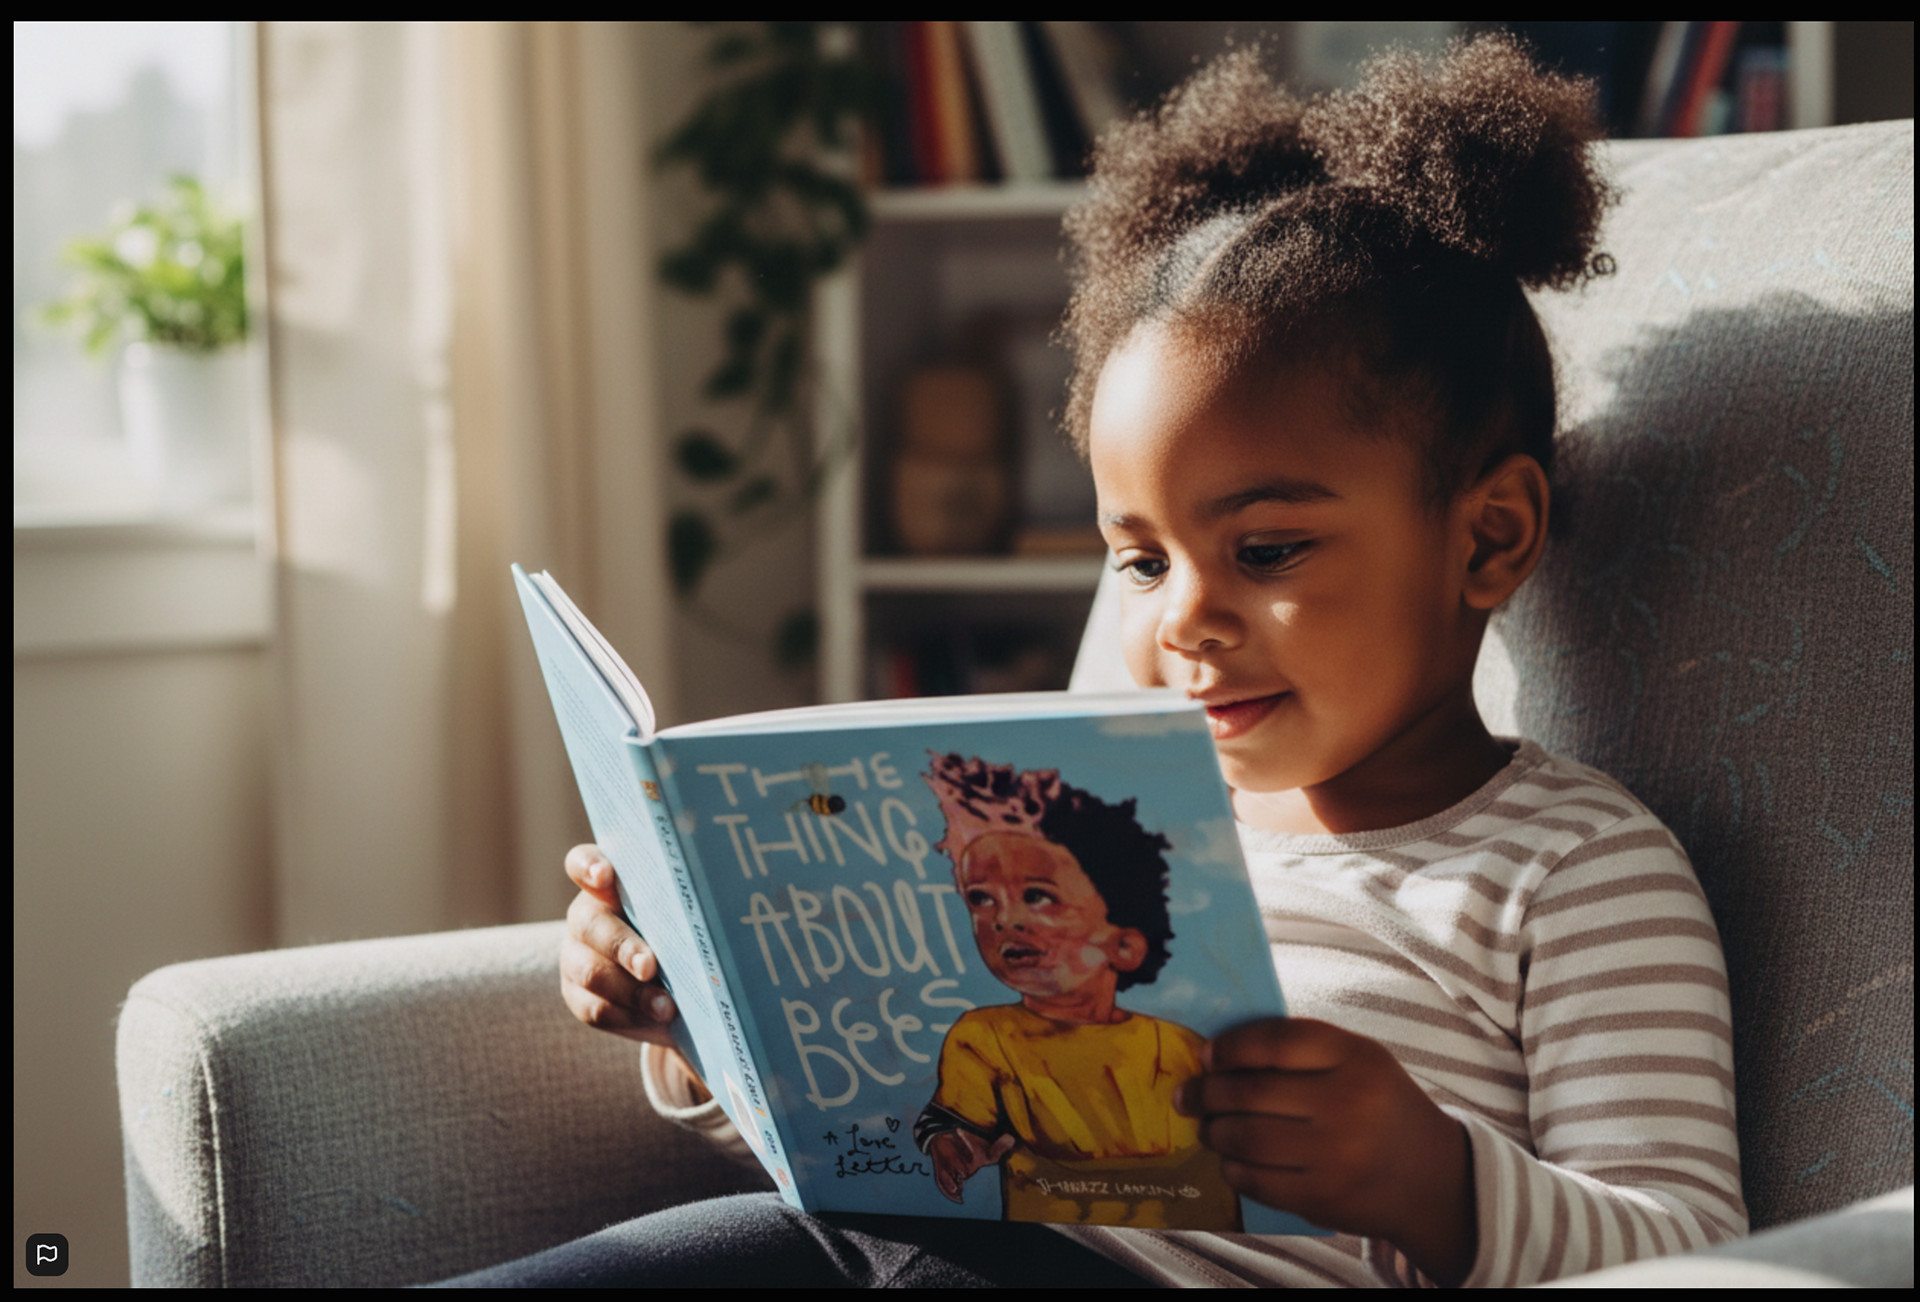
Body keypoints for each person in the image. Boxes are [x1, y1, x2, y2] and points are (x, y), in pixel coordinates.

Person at [518, 34, 1746, 1288]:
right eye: (1145, 561)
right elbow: (896, 1144)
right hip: (892, 1242)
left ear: (1488, 537)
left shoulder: (1575, 870)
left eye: (1266, 550)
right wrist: (698, 1028)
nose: (1181, 622)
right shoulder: (1092, 828)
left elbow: (1697, 1251)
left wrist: (1436, 1180)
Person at [911, 752, 1240, 1230]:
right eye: (981, 899)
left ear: (1123, 943)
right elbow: (954, 1117)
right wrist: (954, 1143)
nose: (1003, 919)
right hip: (1053, 1253)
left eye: (1038, 896)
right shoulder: (986, 1036)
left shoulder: (1180, 1047)